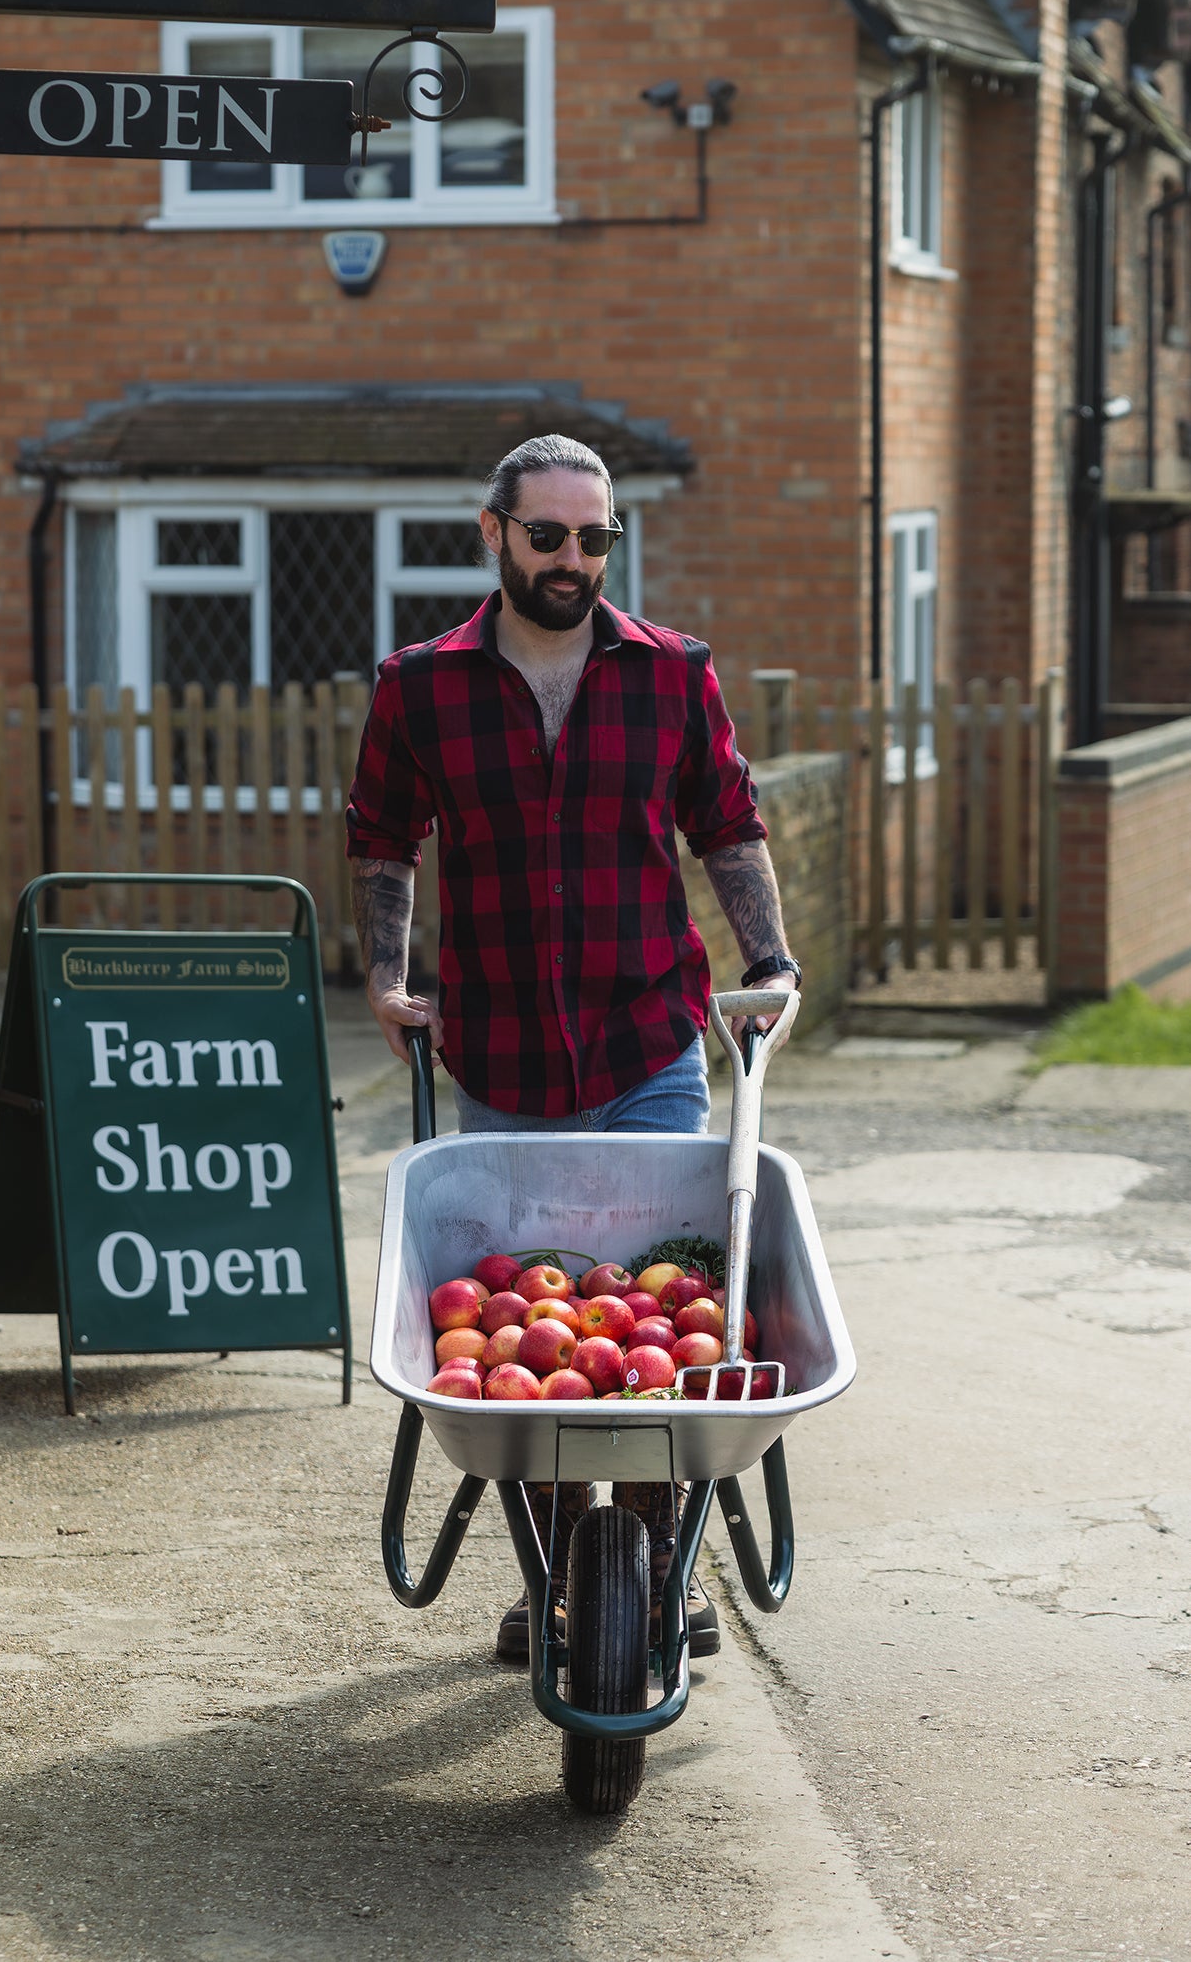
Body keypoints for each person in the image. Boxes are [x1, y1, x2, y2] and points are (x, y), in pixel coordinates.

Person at [345, 433, 801, 1663]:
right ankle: (555, 1575)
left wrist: (769, 963)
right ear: (490, 531)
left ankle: (650, 1565)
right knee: (512, 1347)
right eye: (546, 534)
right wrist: (385, 978)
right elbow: (383, 839)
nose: (571, 559)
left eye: (594, 537)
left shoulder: (669, 675)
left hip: (646, 1044)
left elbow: (727, 823)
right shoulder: (418, 688)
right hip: (494, 1061)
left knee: (662, 1307)